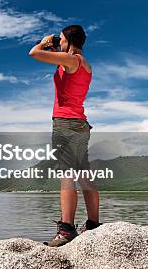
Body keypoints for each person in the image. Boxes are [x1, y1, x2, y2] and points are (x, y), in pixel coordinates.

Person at [28, 24, 102, 247]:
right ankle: (92, 224)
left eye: (61, 39)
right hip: (80, 123)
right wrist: (55, 48)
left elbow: (34, 53)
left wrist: (43, 42)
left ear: (69, 41)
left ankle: (67, 229)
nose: (58, 42)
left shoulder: (71, 60)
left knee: (66, 174)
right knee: (83, 175)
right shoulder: (85, 64)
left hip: (65, 122)